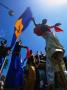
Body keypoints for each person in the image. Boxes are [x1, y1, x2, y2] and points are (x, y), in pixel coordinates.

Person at [32, 18, 67, 89]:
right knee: (50, 44)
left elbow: (50, 27)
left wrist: (55, 25)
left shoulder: (47, 26)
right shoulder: (40, 25)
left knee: (53, 39)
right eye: (44, 20)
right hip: (47, 36)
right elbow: (35, 25)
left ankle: (57, 50)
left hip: (50, 36)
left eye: (46, 21)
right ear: (42, 21)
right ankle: (51, 83)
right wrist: (33, 20)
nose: (45, 21)